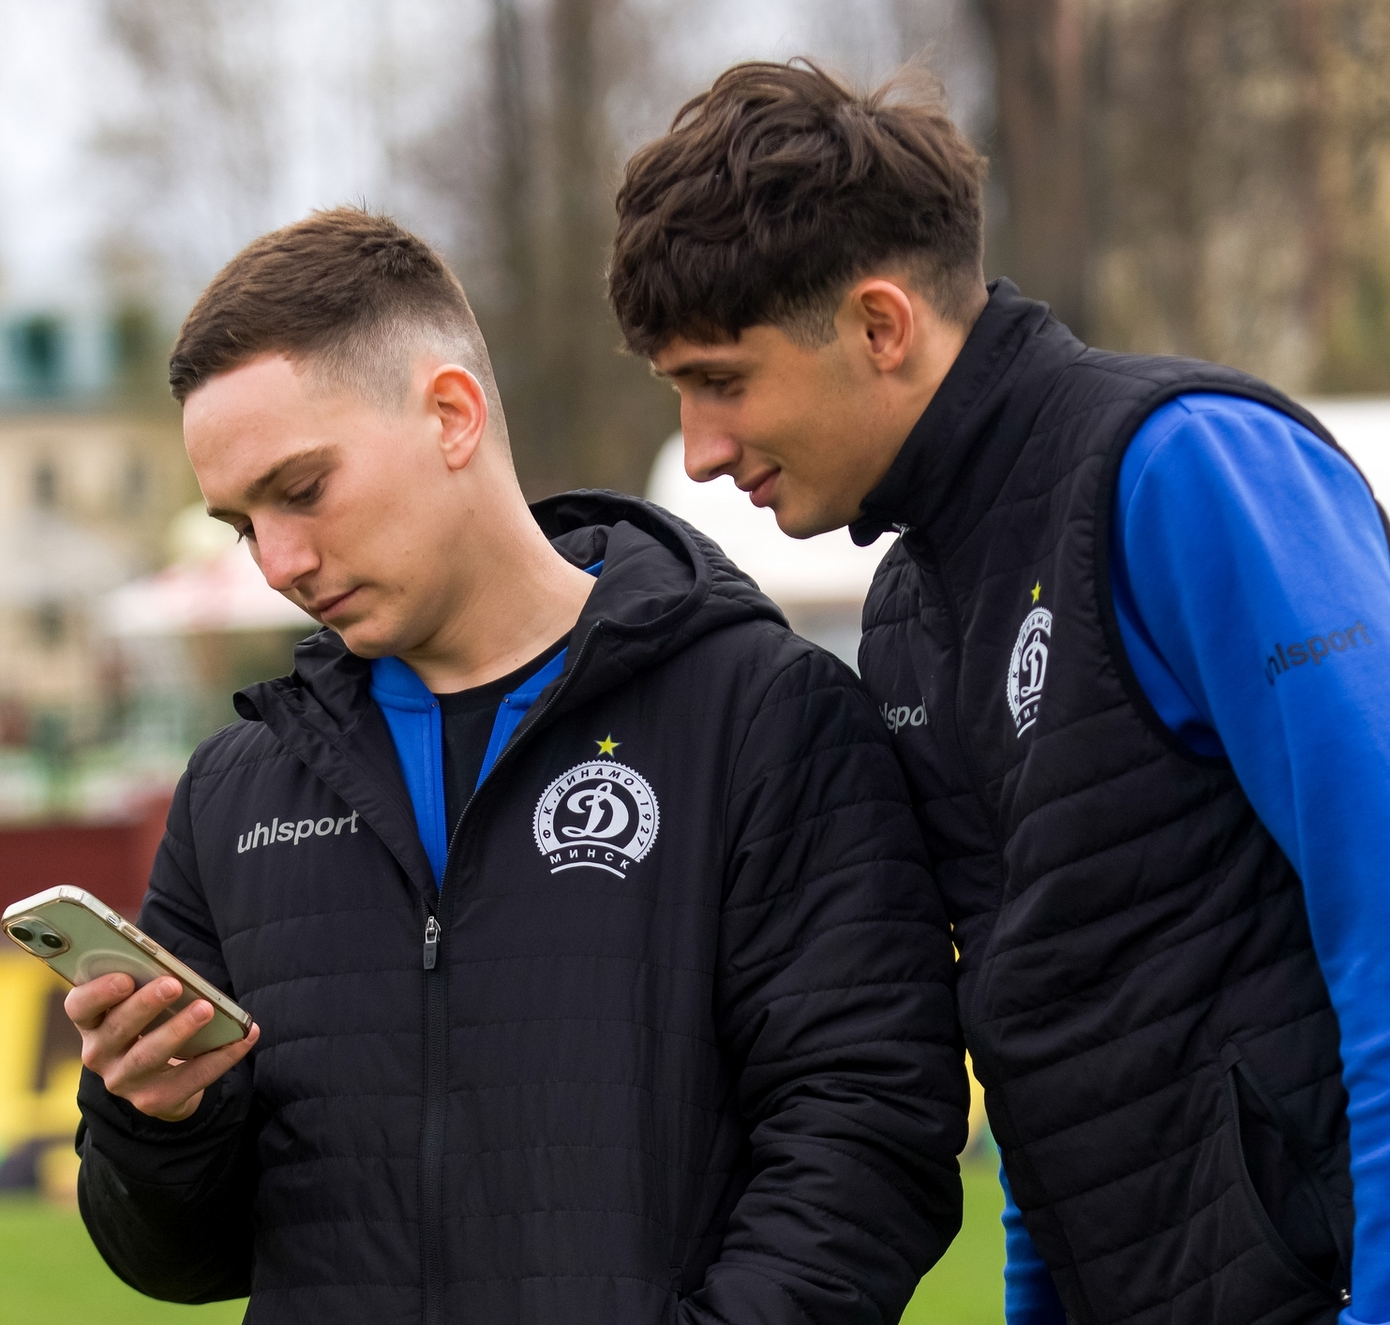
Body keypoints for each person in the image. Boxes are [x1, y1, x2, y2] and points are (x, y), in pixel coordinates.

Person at [608, 60, 1390, 1325]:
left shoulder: (1185, 467)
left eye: (720, 380)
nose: (700, 449)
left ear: (878, 325)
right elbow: (1042, 1056)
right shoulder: (908, 612)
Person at [68, 207, 969, 1324]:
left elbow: (869, 1136)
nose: (280, 562)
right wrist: (156, 1119)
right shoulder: (235, 791)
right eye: (243, 523)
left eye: (301, 489)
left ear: (452, 414)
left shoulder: (760, 712)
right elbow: (175, 1261)